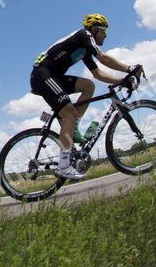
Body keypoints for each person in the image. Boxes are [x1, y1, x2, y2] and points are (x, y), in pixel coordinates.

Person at [30, 14, 142, 180]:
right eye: (104, 31)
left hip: (54, 76)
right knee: (69, 113)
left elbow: (98, 74)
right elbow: (103, 58)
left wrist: (122, 81)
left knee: (88, 86)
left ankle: (73, 127)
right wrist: (130, 68)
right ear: (95, 29)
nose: (106, 35)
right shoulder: (84, 36)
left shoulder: (85, 50)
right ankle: (64, 165)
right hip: (42, 75)